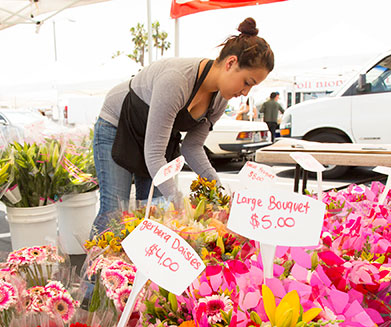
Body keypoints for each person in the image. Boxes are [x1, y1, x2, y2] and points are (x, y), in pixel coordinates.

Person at [91, 17, 275, 235]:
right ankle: (95, 268)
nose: (245, 93)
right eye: (247, 82)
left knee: (154, 213)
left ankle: (133, 268)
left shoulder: (220, 99)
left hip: (154, 139)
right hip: (118, 127)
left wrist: (219, 193)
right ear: (230, 63)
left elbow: (192, 147)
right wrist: (180, 205)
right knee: (115, 214)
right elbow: (154, 154)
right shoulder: (176, 80)